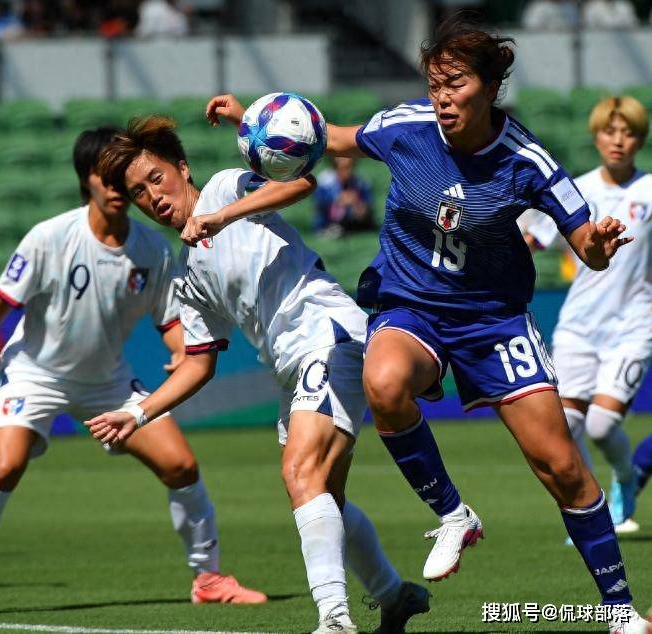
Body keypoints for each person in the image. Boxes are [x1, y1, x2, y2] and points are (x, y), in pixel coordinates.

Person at [204, 15, 649, 633]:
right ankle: (454, 514)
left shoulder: (528, 161)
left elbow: (586, 244)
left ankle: (620, 612)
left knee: (562, 468)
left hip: (494, 322)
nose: (442, 98)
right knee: (384, 383)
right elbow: (329, 138)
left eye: (456, 83)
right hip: (411, 305)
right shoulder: (405, 126)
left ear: (491, 88)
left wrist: (598, 243)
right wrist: (252, 119)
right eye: (435, 83)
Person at [86, 116, 430, 634]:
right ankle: (391, 595)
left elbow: (301, 181)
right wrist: (138, 411)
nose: (152, 196)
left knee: (300, 473)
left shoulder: (227, 187)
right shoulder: (187, 272)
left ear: (182, 168)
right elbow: (199, 362)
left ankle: (335, 620)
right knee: (323, 495)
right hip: (290, 367)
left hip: (328, 334)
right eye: (138, 192)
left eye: (156, 178)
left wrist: (222, 216)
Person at [0, 127, 266, 620]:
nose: (121, 190)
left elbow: (171, 323)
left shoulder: (150, 249)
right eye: (109, 179)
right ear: (88, 182)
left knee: (180, 466)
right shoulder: (50, 237)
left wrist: (179, 354)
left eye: (126, 181)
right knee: (6, 466)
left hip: (106, 381)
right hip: (34, 374)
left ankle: (208, 579)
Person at [523, 96, 652, 536]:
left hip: (634, 323)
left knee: (600, 423)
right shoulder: (575, 191)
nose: (619, 140)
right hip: (578, 325)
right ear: (596, 136)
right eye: (610, 131)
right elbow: (531, 239)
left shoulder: (649, 190)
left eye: (629, 132)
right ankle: (592, 511)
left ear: (640, 138)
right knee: (570, 422)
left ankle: (626, 478)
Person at [313, 156, 375, 236]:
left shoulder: (361, 182)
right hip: (328, 222)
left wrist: (359, 204)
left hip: (354, 221)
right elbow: (320, 205)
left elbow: (369, 202)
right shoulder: (324, 181)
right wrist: (338, 199)